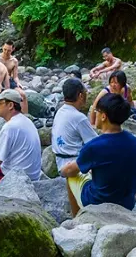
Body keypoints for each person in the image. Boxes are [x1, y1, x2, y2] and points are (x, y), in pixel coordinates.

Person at [61, 94, 136, 214]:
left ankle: (77, 221)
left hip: (98, 203)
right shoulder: (135, 142)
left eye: (97, 111)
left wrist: (64, 169)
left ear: (103, 116)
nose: (95, 114)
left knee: (71, 176)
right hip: (127, 204)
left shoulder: (95, 146)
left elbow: (69, 171)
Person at [52, 78, 98, 215]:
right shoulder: (79, 117)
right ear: (80, 95)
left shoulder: (60, 111)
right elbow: (96, 145)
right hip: (74, 165)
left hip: (61, 162)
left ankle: (75, 216)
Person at [0, 40, 29, 114]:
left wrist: (18, 83)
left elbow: (15, 76)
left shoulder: (14, 61)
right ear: (2, 47)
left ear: (12, 49)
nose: (6, 52)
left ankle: (25, 116)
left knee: (22, 95)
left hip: (9, 80)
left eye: (8, 50)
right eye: (4, 49)